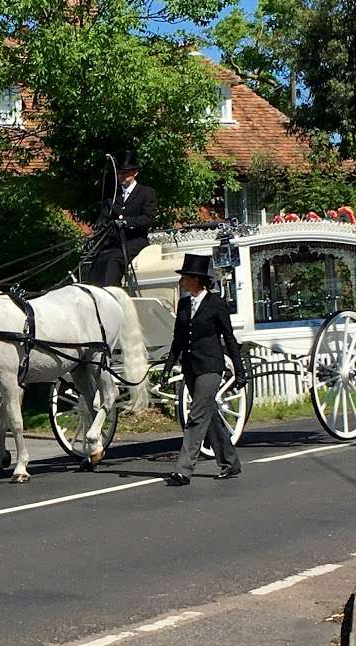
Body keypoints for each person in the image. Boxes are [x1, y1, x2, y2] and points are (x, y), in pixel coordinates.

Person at [160, 254, 247, 486]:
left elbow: (229, 339)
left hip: (210, 367)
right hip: (190, 367)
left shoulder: (216, 304)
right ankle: (230, 462)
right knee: (210, 415)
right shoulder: (184, 304)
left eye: (185, 277)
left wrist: (239, 371)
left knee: (196, 415)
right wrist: (168, 368)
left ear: (196, 280)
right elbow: (178, 340)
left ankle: (183, 469)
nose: (182, 282)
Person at [87, 151, 156, 287]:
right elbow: (104, 218)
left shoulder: (146, 193)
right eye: (119, 173)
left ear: (134, 173)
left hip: (135, 241)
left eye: (125, 173)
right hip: (114, 242)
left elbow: (148, 218)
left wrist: (126, 222)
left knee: (113, 259)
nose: (121, 176)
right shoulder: (113, 196)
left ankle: (112, 292)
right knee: (99, 259)